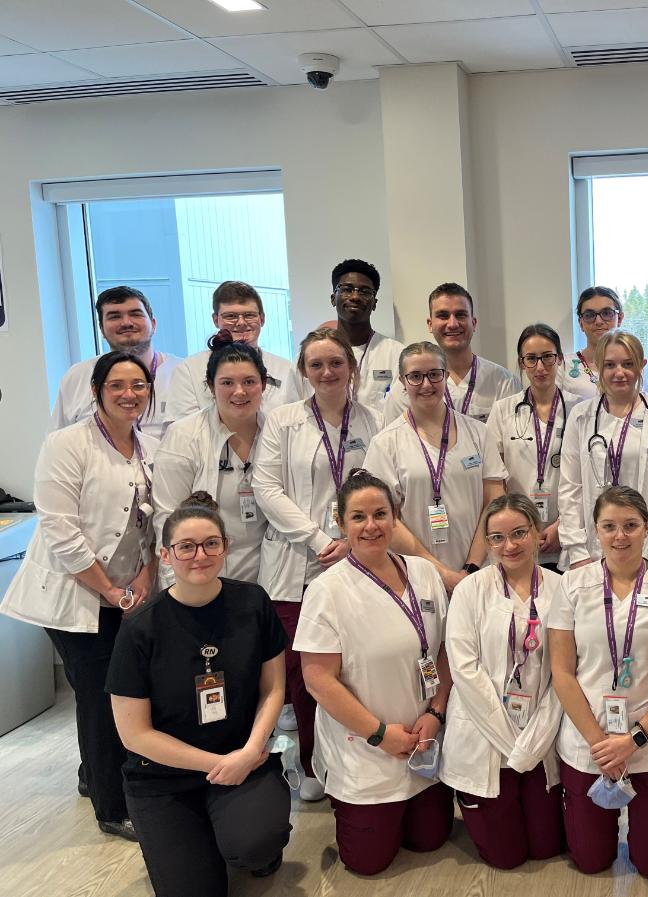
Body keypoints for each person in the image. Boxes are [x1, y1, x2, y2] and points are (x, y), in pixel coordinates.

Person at [2, 350, 160, 841]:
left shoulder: (150, 446)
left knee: (125, 688)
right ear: (96, 392)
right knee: (100, 695)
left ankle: (94, 775)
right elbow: (60, 530)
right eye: (117, 385)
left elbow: (156, 522)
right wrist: (110, 589)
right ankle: (112, 808)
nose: (129, 394)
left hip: (127, 592)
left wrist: (146, 575)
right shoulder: (66, 444)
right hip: (75, 594)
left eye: (138, 385)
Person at [107, 493, 290, 897]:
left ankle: (246, 840)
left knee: (254, 845)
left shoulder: (252, 602)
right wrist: (220, 764)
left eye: (210, 543)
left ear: (226, 547)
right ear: (166, 555)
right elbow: (134, 735)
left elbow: (274, 688)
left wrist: (250, 751)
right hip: (163, 778)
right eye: (185, 546)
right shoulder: (140, 628)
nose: (199, 555)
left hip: (245, 758)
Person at [295, 469, 454, 876]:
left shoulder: (424, 574)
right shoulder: (326, 590)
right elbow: (317, 679)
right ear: (340, 522)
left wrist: (435, 714)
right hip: (365, 747)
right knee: (368, 863)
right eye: (358, 517)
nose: (371, 526)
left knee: (430, 839)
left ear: (396, 516)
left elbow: (443, 651)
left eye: (380, 514)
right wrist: (380, 734)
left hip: (423, 740)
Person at [254, 327, 381, 802]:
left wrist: (349, 540)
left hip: (358, 560)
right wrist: (318, 538)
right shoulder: (282, 421)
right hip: (294, 567)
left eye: (336, 363)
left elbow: (381, 488)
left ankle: (361, 757)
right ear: (304, 372)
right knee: (304, 675)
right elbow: (267, 489)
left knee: (358, 667)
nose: (327, 373)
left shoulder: (373, 420)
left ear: (353, 368)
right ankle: (309, 764)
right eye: (316, 365)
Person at [548, 486, 648, 878]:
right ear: (596, 531)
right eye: (609, 526)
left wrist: (634, 739)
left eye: (630, 525)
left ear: (647, 528)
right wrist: (599, 743)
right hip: (588, 742)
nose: (620, 536)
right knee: (590, 863)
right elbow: (562, 672)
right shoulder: (572, 586)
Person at [441, 494, 566, 869]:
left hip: (540, 737)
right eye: (496, 537)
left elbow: (565, 674)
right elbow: (464, 671)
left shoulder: (562, 590)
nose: (508, 545)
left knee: (547, 848)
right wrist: (511, 741)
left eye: (518, 533)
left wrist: (533, 741)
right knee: (505, 857)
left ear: (538, 532)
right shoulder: (469, 590)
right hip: (484, 735)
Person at [366, 341, 504, 594]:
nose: (426, 384)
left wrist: (470, 569)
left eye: (434, 374)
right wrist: (442, 573)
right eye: (416, 377)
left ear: (446, 375)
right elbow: (385, 519)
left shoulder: (478, 433)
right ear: (402, 381)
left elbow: (494, 502)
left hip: (479, 572)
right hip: (416, 576)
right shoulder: (386, 443)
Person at [558, 330, 648, 570]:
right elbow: (570, 488)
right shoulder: (581, 416)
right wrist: (578, 551)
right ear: (598, 367)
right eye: (610, 365)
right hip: (593, 553)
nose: (619, 372)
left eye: (628, 364)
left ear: (641, 365)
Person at [153, 332, 268, 586]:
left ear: (264, 384)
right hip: (201, 576)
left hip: (267, 577)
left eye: (249, 381)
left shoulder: (278, 433)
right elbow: (168, 521)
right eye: (227, 383)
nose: (239, 392)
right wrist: (176, 592)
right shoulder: (184, 436)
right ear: (210, 386)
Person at [485, 324, 583, 571]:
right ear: (521, 363)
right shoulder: (503, 410)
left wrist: (562, 526)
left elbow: (587, 478)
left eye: (548, 357)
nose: (540, 367)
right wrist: (519, 527)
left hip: (567, 533)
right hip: (518, 535)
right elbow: (495, 478)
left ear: (560, 359)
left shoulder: (580, 410)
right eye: (531, 359)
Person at [49, 285, 182, 439]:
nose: (126, 323)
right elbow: (55, 442)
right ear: (101, 329)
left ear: (153, 324)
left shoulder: (183, 373)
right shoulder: (77, 377)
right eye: (114, 316)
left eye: (135, 314)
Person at [165, 281, 305, 421]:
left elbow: (298, 421)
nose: (241, 323)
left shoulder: (286, 369)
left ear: (262, 319)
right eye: (230, 316)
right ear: (215, 320)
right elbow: (184, 429)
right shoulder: (189, 370)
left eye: (249, 315)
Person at [383, 282, 519, 425]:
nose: (453, 324)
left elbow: (513, 440)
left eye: (460, 315)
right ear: (430, 324)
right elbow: (392, 439)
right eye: (443, 316)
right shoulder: (408, 387)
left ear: (473, 323)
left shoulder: (504, 382)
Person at [330, 258, 405, 415]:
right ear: (333, 298)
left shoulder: (397, 355)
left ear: (375, 303)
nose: (355, 297)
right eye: (347, 289)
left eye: (364, 291)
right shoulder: (312, 356)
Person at [562, 286, 623, 399]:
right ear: (581, 323)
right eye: (589, 315)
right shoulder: (564, 365)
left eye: (606, 313)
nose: (598, 321)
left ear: (619, 318)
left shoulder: (633, 365)